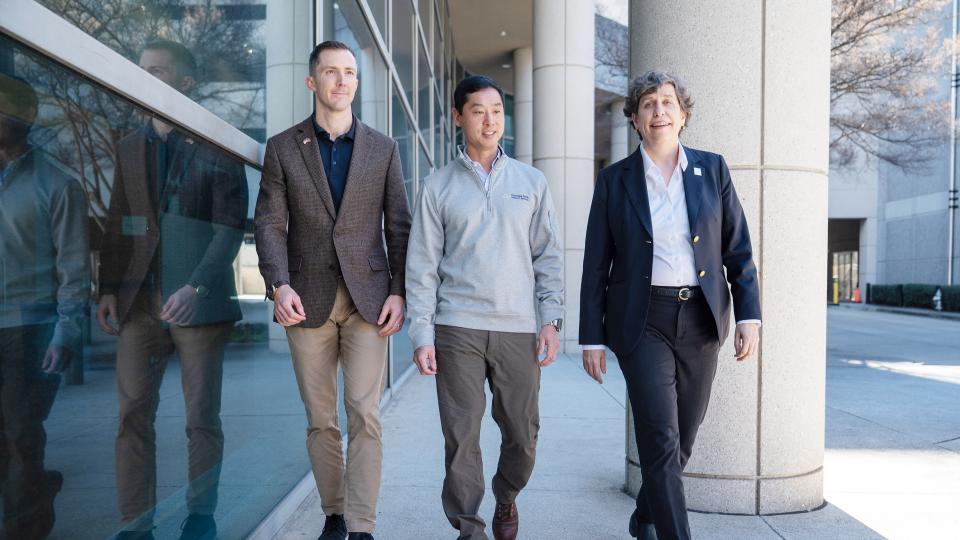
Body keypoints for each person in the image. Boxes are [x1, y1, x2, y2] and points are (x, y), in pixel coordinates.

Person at [579, 70, 761, 540]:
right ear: (636, 119)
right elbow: (597, 263)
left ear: (682, 114)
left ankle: (645, 518)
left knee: (681, 440)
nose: (658, 111)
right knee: (659, 439)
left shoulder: (712, 169)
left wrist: (749, 315)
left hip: (701, 318)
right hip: (643, 322)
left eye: (667, 103)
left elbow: (737, 249)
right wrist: (592, 337)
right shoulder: (614, 180)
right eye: (648, 104)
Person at [253, 40, 410, 540]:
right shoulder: (282, 147)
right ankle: (335, 515)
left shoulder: (384, 148)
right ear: (312, 82)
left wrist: (399, 291)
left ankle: (362, 525)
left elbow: (400, 227)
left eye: (350, 73)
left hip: (369, 300)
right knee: (321, 418)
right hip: (305, 299)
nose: (342, 81)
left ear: (357, 83)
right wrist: (278, 284)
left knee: (365, 414)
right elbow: (270, 223)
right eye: (331, 72)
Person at [96, 40, 248, 540]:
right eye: (142, 71)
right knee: (131, 415)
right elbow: (120, 222)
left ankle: (200, 517)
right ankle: (133, 524)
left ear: (184, 83)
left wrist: (197, 286)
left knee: (200, 418)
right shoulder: (129, 145)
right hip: (138, 302)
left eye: (158, 72)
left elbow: (229, 227)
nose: (146, 79)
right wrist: (109, 289)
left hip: (198, 305)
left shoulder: (217, 143)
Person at [406, 75, 564, 540]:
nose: (490, 119)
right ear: (459, 118)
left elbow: (548, 258)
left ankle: (507, 494)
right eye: (478, 110)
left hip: (518, 328)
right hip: (457, 328)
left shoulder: (531, 183)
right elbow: (422, 267)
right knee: (461, 438)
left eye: (497, 109)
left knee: (523, 434)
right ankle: (469, 528)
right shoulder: (437, 187)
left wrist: (551, 319)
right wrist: (422, 333)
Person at [0, 73, 90, 540]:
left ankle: (25, 530)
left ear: (18, 119)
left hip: (26, 331)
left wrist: (67, 330)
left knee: (20, 440)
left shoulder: (58, 185)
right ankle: (36, 493)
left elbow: (74, 268)